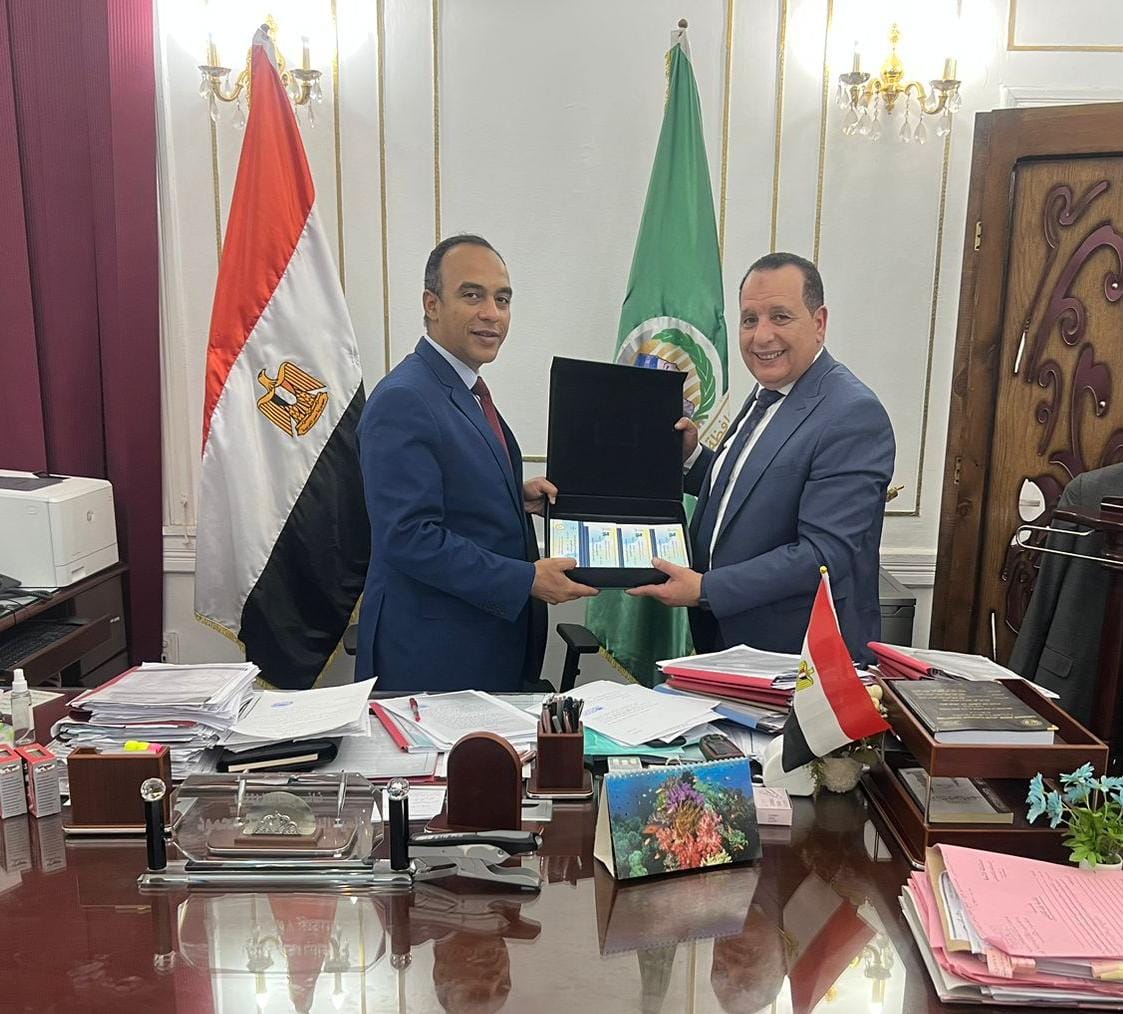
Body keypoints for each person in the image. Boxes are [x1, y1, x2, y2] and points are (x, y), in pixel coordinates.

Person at [355, 235, 597, 691]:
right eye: (472, 295)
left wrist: (514, 496)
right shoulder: (405, 398)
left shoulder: (462, 389)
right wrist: (525, 580)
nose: (492, 313)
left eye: (502, 299)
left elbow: (448, 490)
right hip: (436, 659)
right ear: (431, 304)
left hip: (485, 645)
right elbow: (408, 536)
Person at [630, 252, 894, 663]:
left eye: (780, 317)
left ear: (819, 322)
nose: (761, 336)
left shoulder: (852, 413)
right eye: (749, 319)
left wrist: (705, 589)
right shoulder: (767, 394)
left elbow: (823, 554)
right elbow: (753, 489)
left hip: (799, 659)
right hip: (730, 641)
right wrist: (692, 458)